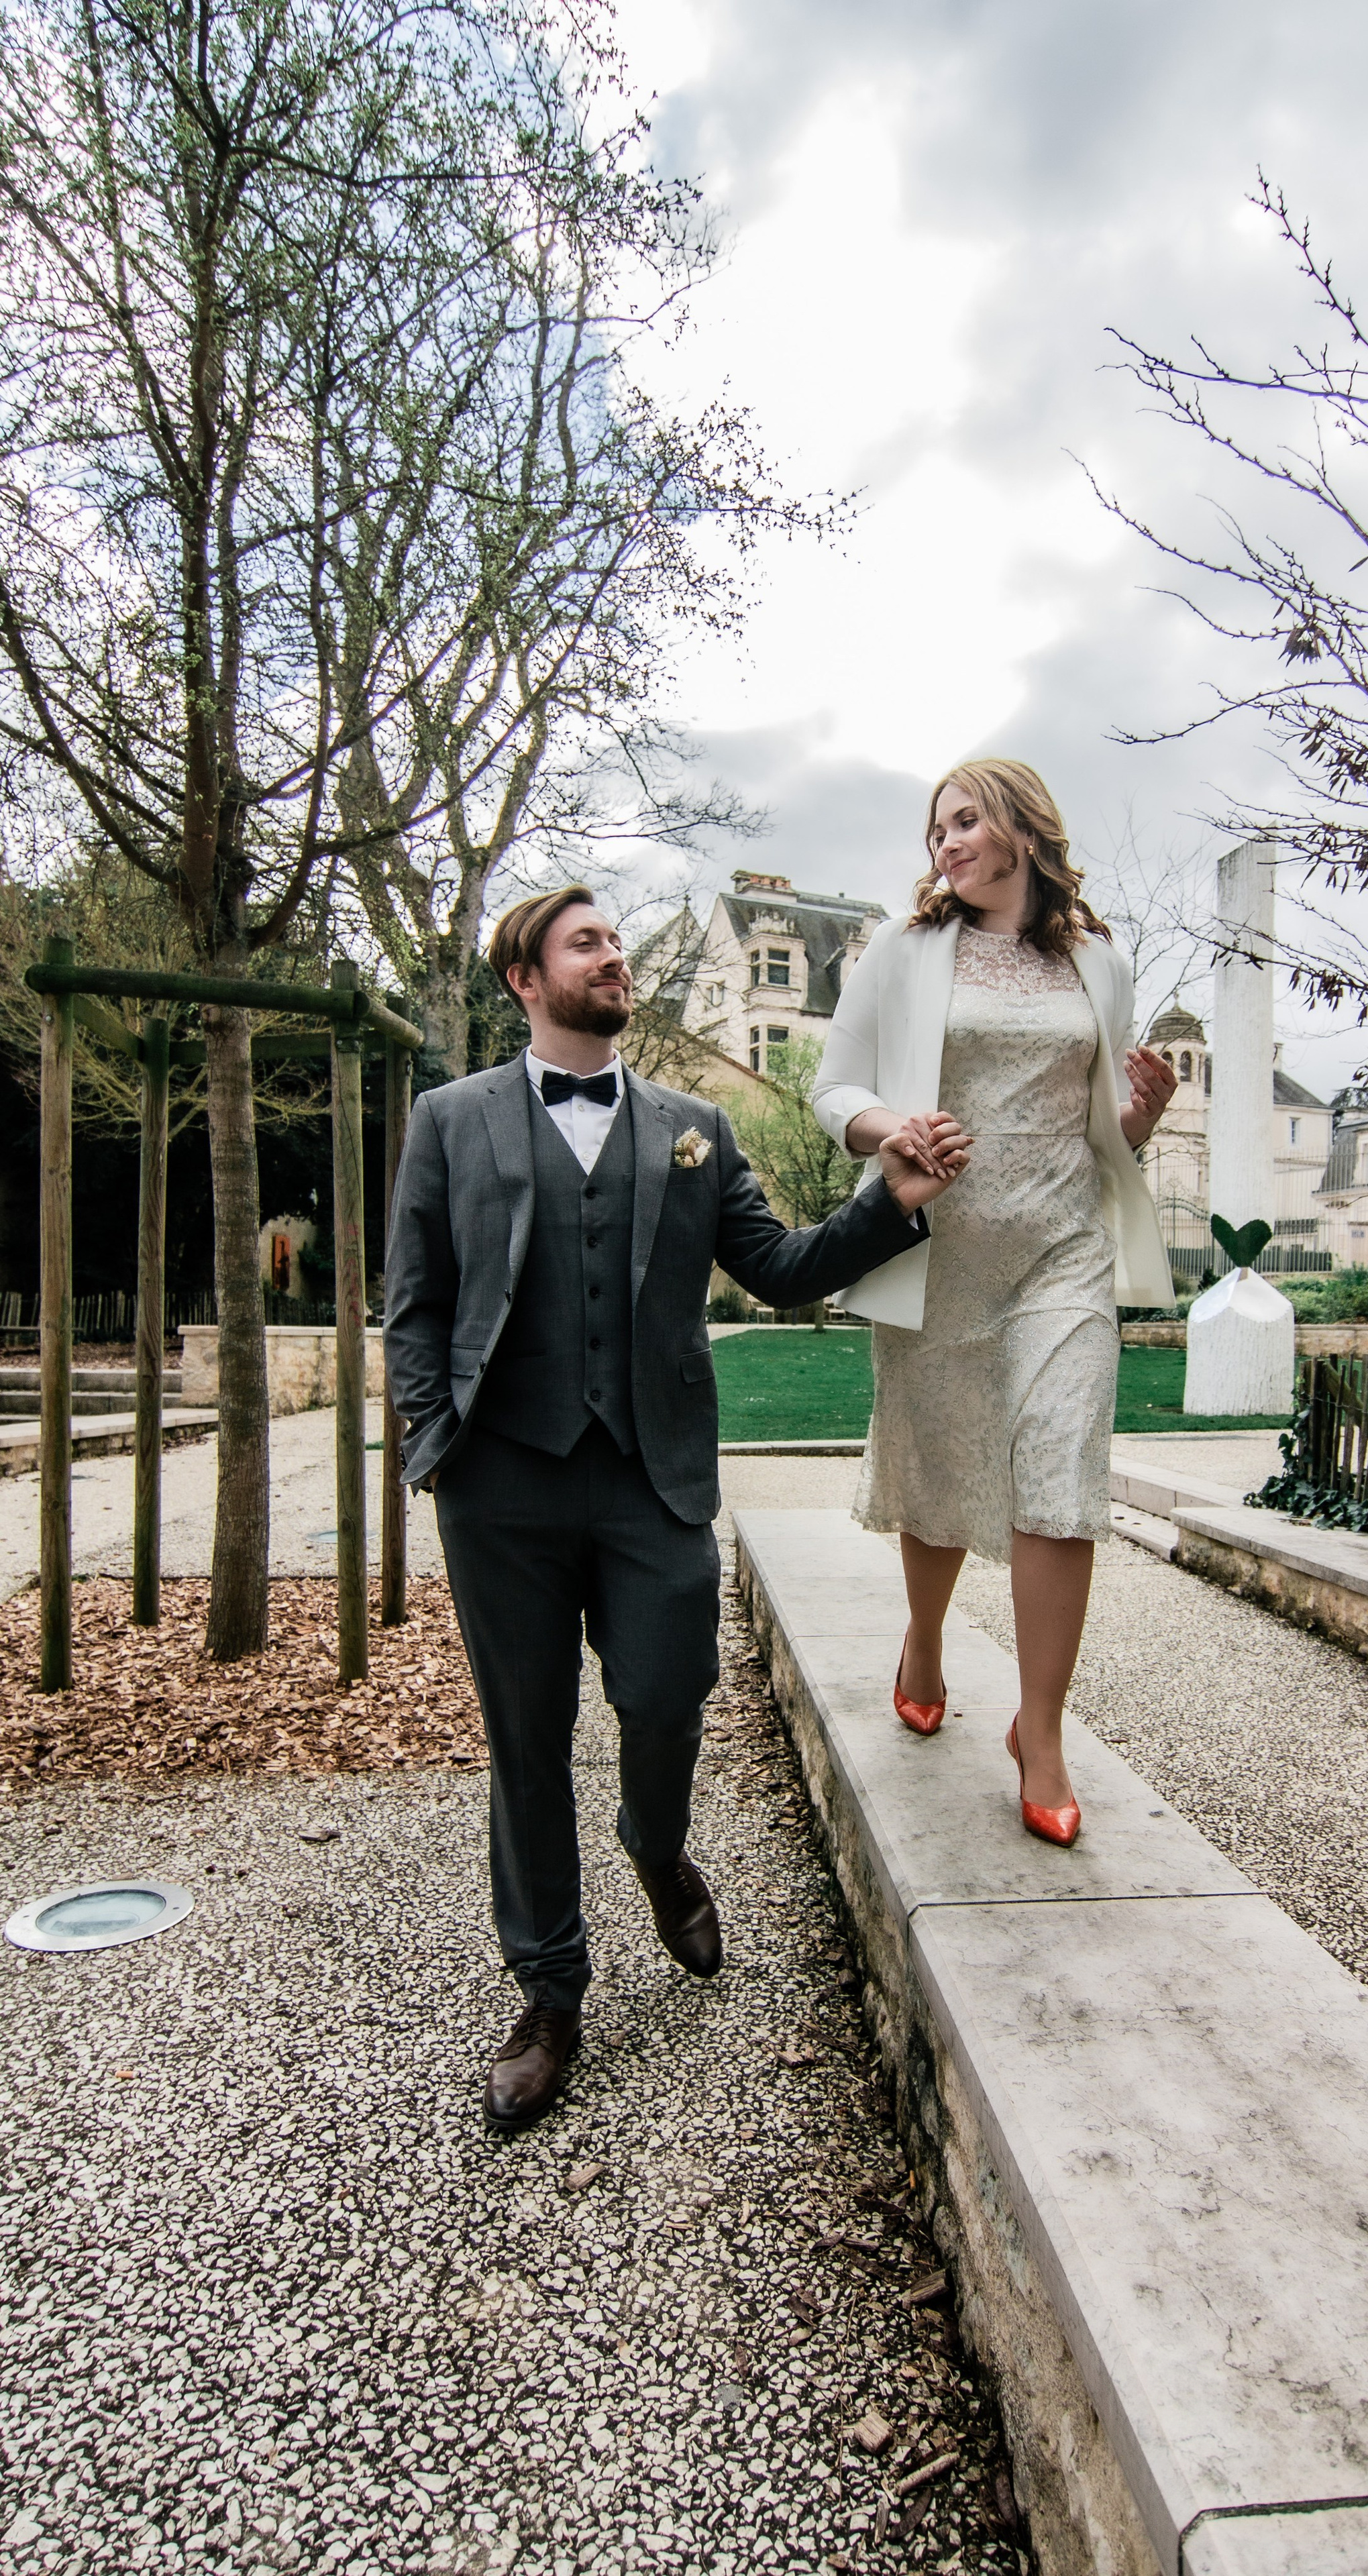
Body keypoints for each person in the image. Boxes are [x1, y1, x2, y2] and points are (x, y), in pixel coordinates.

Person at [384, 886, 969, 2131]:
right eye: (583, 943)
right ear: (525, 981)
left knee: (666, 1696)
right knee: (526, 1741)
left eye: (611, 942)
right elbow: (416, 1299)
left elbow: (778, 1267)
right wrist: (432, 1444)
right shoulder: (450, 1121)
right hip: (501, 1486)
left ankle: (657, 1846)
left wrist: (889, 1198)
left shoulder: (694, 1128)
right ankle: (550, 1991)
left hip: (653, 1479)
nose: (611, 957)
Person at [812, 759, 1177, 1849]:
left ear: (1023, 823)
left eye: (965, 820)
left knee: (1063, 1470)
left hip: (1061, 1254)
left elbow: (1099, 1130)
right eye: (937, 830)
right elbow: (834, 1086)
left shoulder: (1098, 961)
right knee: (942, 1467)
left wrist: (1141, 1118)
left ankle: (1044, 1731)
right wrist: (893, 1133)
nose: (948, 843)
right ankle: (924, 1639)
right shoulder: (905, 950)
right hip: (940, 1253)